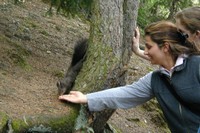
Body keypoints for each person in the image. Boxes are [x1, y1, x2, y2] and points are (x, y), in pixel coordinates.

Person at [59, 21, 200, 133]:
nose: (146, 52)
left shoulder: (196, 66)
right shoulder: (156, 80)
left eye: (149, 47)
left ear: (165, 47)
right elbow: (125, 94)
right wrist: (87, 98)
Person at [132, 6, 200, 60]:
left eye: (181, 31)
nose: (178, 34)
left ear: (197, 34)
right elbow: (165, 58)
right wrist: (137, 50)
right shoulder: (187, 46)